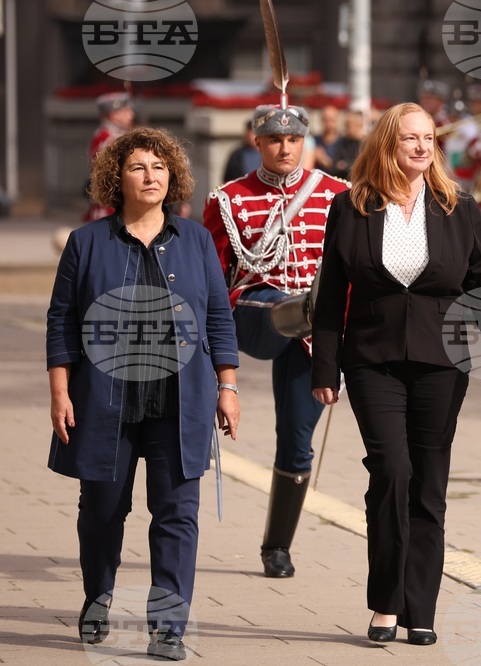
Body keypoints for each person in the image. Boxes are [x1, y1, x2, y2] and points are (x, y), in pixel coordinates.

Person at [311, 102, 481, 646]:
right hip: (370, 359)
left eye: (429, 138)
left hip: (442, 362)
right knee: (391, 471)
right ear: (388, 144)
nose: (422, 147)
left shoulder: (459, 206)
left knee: (429, 484)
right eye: (411, 138)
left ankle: (420, 607)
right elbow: (331, 294)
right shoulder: (351, 206)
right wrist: (324, 367)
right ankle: (385, 600)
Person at [47, 127, 240, 661]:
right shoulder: (88, 243)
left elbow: (219, 318)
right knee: (103, 510)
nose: (151, 176)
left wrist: (228, 385)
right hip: (104, 398)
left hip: (181, 400)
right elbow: (61, 321)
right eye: (138, 167)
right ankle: (98, 596)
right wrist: (60, 393)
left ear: (173, 176)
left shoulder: (197, 239)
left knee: (177, 512)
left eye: (159, 167)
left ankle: (168, 626)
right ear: (117, 178)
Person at [203, 104, 350, 579]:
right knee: (284, 307)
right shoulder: (229, 198)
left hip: (314, 332)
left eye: (293, 140)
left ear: (303, 141)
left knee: (296, 437)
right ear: (257, 142)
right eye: (273, 141)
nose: (284, 149)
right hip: (255, 316)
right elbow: (212, 280)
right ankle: (301, 309)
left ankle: (277, 547)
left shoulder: (337, 195)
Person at [84, 92, 136, 222]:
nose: (132, 115)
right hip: (110, 205)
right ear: (114, 115)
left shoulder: (117, 135)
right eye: (126, 111)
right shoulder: (108, 138)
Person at [326, 109, 366, 179]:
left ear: (358, 125)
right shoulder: (343, 142)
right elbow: (335, 163)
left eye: (348, 126)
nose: (345, 129)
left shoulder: (365, 144)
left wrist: (345, 165)